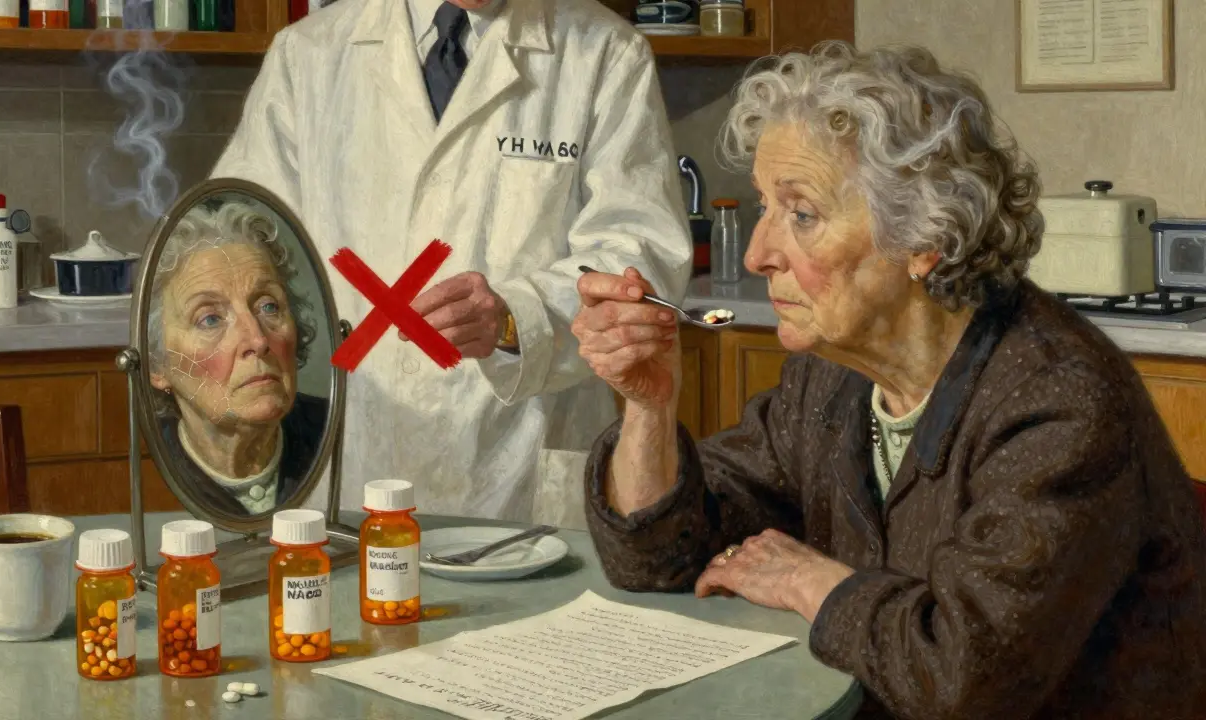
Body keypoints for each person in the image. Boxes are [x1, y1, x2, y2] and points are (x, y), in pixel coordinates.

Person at [574, 42, 1206, 719]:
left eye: (803, 214)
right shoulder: (829, 381)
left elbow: (963, 677)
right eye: (765, 206)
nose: (758, 253)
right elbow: (661, 559)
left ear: (923, 239)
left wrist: (811, 583)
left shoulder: (1060, 405)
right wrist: (649, 409)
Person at [210, 0, 692, 528]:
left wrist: (517, 319)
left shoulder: (603, 53)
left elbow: (638, 260)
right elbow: (240, 243)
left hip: (521, 472)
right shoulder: (308, 56)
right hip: (353, 462)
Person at [148, 199, 329, 517]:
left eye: (269, 306)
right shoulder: (144, 476)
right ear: (157, 363)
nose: (258, 341)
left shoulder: (339, 436)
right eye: (210, 319)